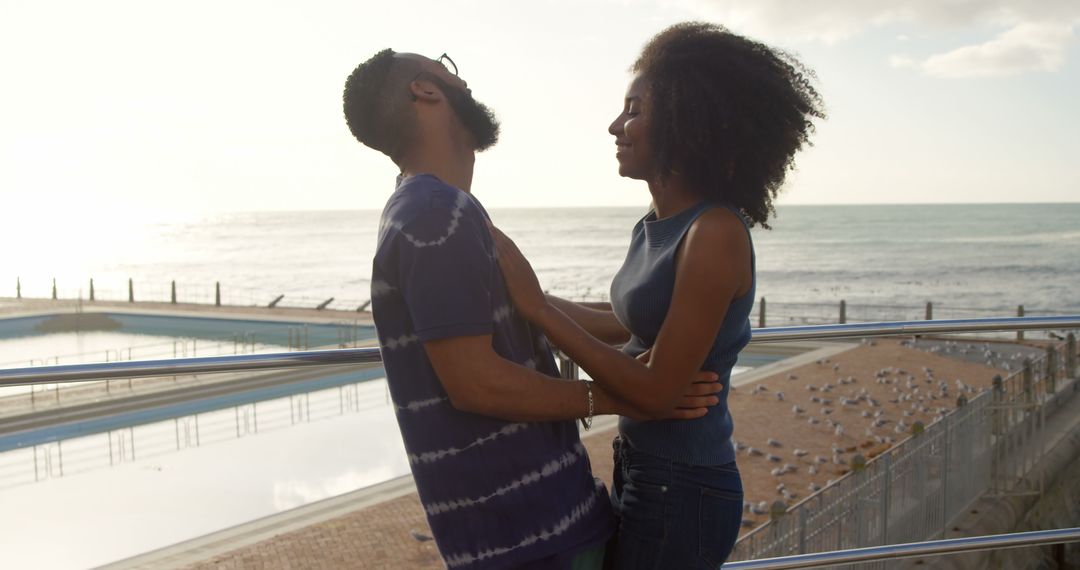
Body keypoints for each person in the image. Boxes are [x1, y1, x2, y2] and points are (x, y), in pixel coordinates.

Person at [341, 49, 723, 569]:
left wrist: (674, 332)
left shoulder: (439, 209)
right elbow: (477, 382)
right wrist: (625, 397)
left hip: (542, 527)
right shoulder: (435, 213)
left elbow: (521, 310)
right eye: (447, 67)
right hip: (530, 538)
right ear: (426, 90)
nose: (462, 80)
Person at [489, 22, 825, 569]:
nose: (614, 126)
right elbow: (627, 326)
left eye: (634, 110)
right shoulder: (658, 223)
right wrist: (519, 294)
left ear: (684, 121)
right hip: (644, 467)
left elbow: (655, 393)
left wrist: (538, 308)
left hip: (684, 487)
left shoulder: (712, 233)